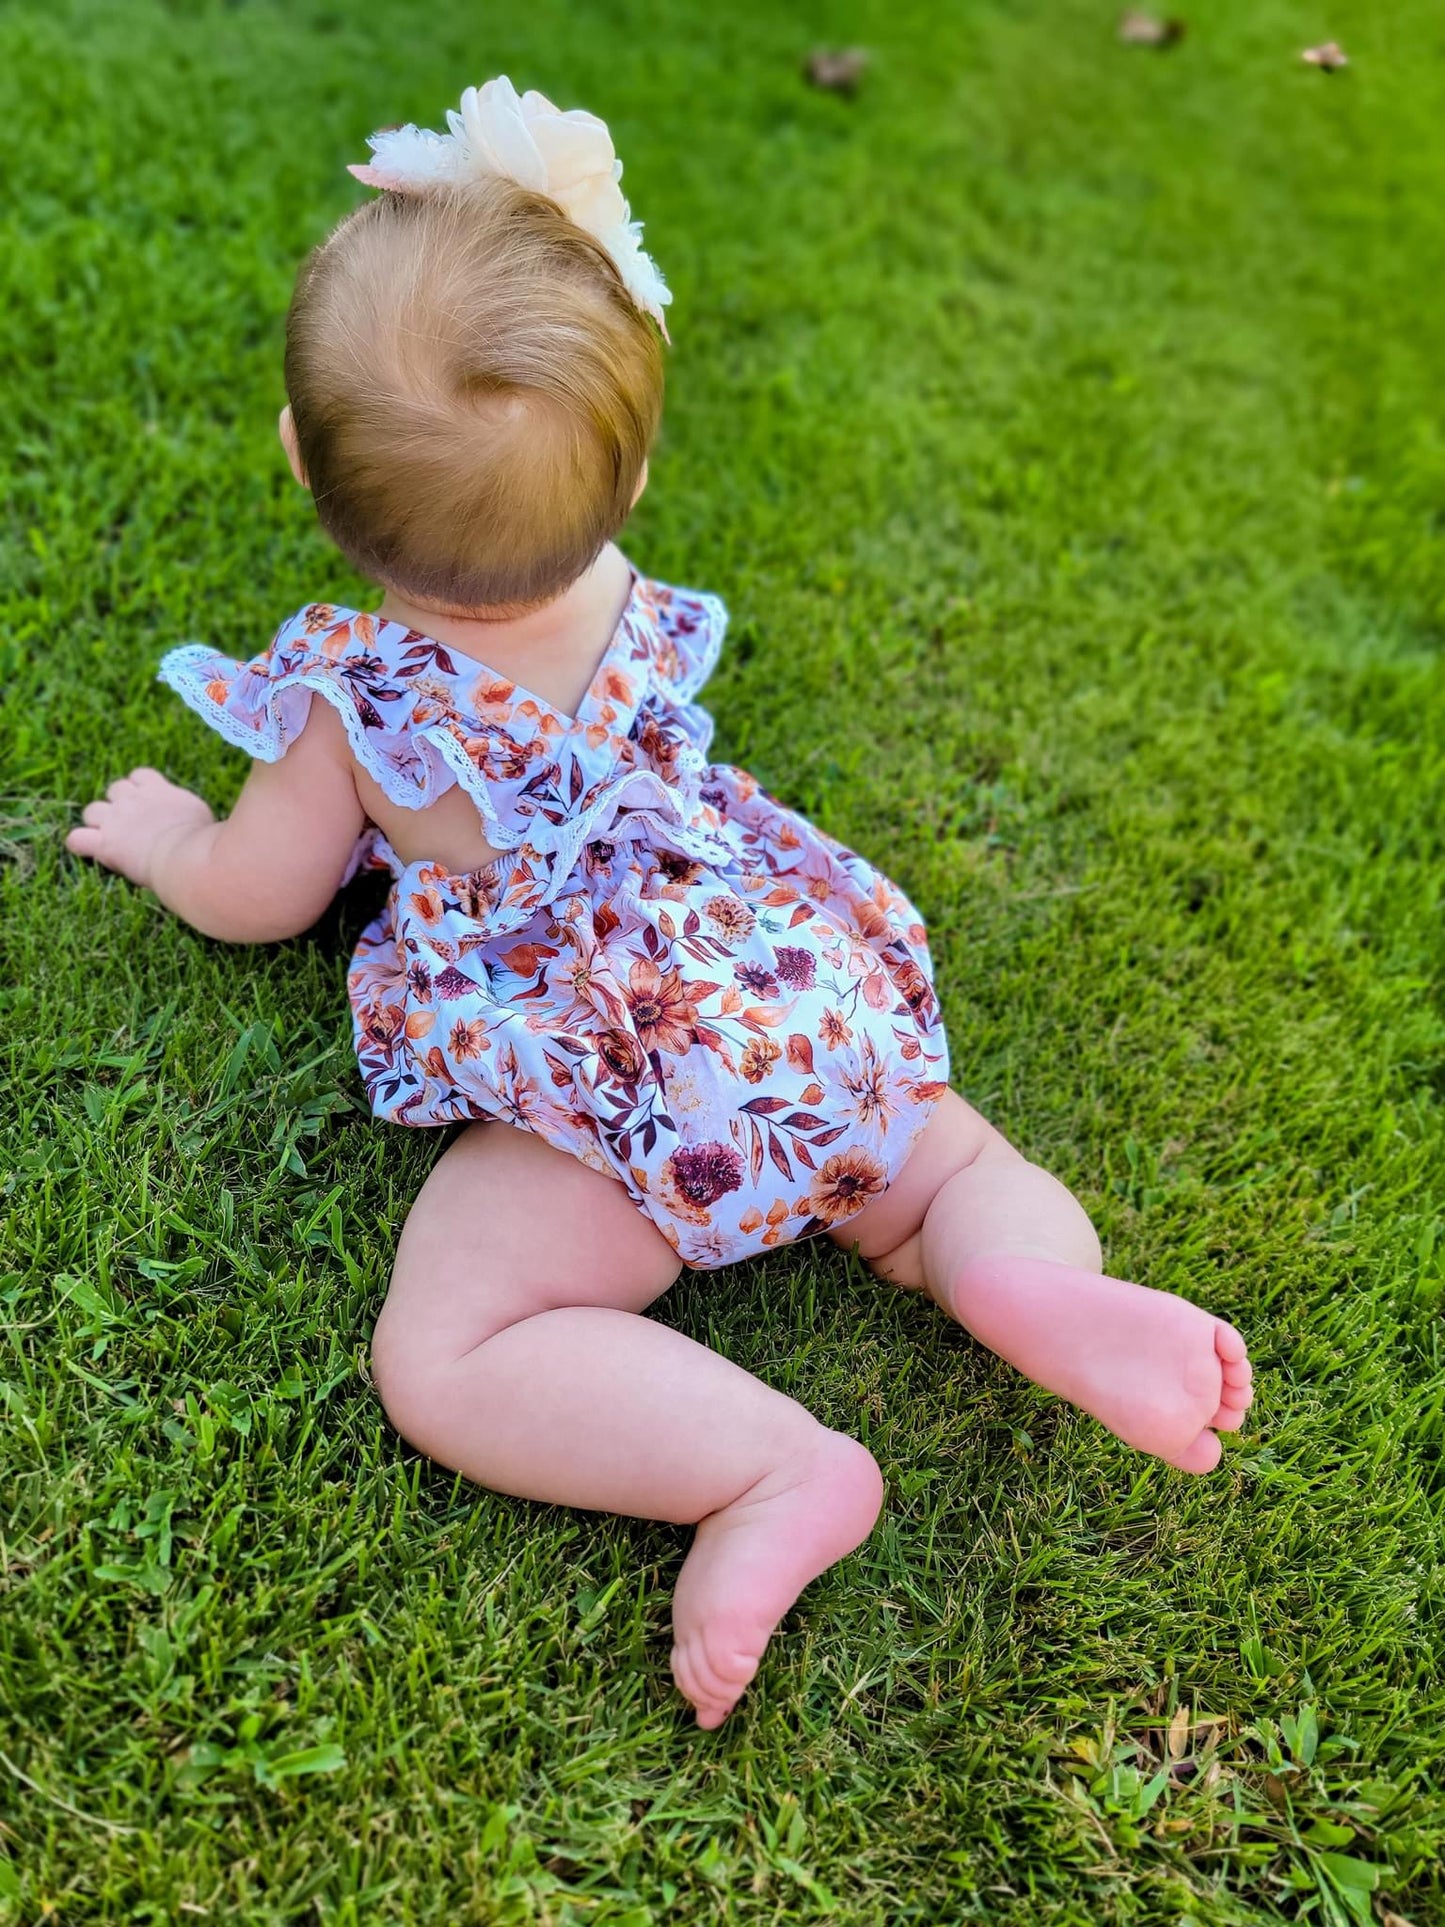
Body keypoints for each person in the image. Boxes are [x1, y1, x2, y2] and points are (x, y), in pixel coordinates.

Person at [69, 79, 1252, 1729]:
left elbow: (259, 896)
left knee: (449, 1351)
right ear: (621, 490)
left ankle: (770, 1469)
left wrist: (169, 841)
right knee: (944, 1167)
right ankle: (1015, 1276)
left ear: (293, 458)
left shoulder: (357, 699)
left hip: (617, 1088)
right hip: (789, 997)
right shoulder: (626, 595)